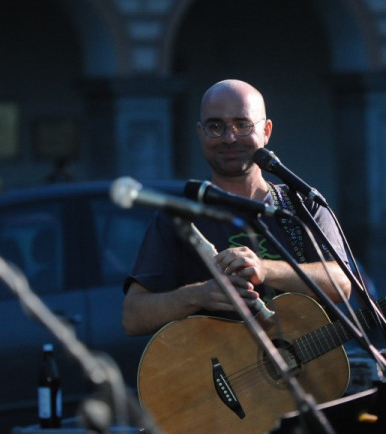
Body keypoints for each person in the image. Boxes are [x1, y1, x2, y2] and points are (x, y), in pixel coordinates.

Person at [122, 79, 352, 336]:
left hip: (302, 371)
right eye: (215, 127)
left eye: (242, 125)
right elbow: (133, 317)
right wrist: (198, 295)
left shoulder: (301, 204)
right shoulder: (177, 216)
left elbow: (342, 284)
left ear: (266, 131)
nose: (229, 138)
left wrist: (265, 269)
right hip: (221, 372)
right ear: (200, 133)